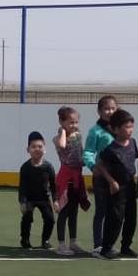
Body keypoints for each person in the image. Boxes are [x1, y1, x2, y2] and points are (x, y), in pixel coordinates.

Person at [93, 109, 138, 259]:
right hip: (117, 188)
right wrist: (111, 181)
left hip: (130, 185)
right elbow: (100, 165)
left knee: (131, 217)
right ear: (116, 129)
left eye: (131, 126)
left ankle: (126, 246)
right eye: (126, 127)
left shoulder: (133, 143)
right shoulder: (110, 149)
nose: (130, 130)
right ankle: (106, 249)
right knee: (116, 218)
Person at [82, 95, 118, 254]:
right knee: (101, 211)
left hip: (118, 177)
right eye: (106, 109)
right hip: (101, 177)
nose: (110, 111)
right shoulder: (95, 131)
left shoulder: (120, 128)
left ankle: (109, 244)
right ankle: (98, 245)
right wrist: (92, 166)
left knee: (115, 212)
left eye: (113, 108)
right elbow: (88, 152)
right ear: (99, 111)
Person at [53, 108, 90, 256]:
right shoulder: (57, 138)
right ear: (62, 122)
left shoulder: (78, 135)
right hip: (65, 178)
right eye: (71, 122)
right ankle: (61, 245)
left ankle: (73, 242)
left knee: (74, 212)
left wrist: (86, 160)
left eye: (76, 122)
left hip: (77, 177)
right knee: (64, 212)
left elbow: (81, 152)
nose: (74, 125)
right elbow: (62, 145)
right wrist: (63, 131)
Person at [18, 131, 57, 249]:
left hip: (44, 198)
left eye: (40, 146)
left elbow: (53, 185)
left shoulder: (48, 167)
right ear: (28, 150)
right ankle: (25, 239)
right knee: (27, 217)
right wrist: (22, 202)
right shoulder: (25, 167)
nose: (37, 149)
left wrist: (55, 200)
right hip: (29, 199)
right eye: (33, 147)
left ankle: (45, 240)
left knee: (50, 219)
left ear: (45, 149)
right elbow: (22, 187)